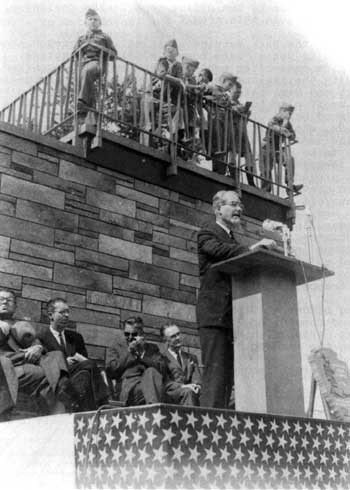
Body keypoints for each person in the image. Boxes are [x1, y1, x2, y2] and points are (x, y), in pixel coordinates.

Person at [196, 190, 276, 408]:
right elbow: (217, 250)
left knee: (228, 378)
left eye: (240, 205)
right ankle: (208, 428)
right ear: (217, 209)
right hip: (215, 316)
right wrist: (251, 249)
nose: (239, 209)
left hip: (235, 318)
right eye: (233, 204)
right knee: (215, 374)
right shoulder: (207, 232)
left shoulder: (234, 240)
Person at [0, 289, 74, 416]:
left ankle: (63, 387)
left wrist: (37, 348)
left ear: (15, 306)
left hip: (25, 362)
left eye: (9, 300)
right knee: (45, 374)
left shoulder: (20, 325)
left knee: (56, 355)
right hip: (6, 365)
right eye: (1, 299)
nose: (5, 302)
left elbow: (36, 343)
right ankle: (62, 389)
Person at [38, 298, 108, 412]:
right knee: (90, 366)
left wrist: (78, 360)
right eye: (62, 312)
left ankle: (98, 404)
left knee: (89, 366)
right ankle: (103, 402)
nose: (67, 315)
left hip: (78, 373)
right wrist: (64, 362)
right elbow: (44, 363)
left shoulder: (76, 337)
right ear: (51, 315)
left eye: (68, 312)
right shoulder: (41, 337)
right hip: (59, 378)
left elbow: (85, 361)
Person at [106, 317, 166, 406]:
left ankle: (153, 410)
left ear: (141, 334)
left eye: (134, 334)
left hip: (151, 383)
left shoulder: (152, 348)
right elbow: (111, 370)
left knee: (151, 372)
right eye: (127, 334)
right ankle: (155, 412)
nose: (130, 337)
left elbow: (162, 369)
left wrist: (143, 353)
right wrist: (129, 352)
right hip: (129, 387)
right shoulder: (115, 347)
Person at [73, 9, 117, 115]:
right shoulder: (81, 38)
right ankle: (87, 113)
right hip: (84, 64)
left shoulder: (105, 37)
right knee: (82, 79)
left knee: (87, 71)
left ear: (100, 23)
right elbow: (74, 53)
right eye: (90, 19)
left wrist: (103, 50)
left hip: (97, 63)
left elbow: (114, 54)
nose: (93, 21)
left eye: (96, 19)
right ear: (85, 23)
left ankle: (82, 101)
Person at [261, 103, 303, 194]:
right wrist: (284, 127)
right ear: (282, 111)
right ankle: (265, 189)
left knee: (289, 159)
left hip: (277, 148)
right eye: (289, 113)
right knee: (266, 168)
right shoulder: (274, 119)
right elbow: (275, 128)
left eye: (291, 114)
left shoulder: (288, 123)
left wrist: (288, 133)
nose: (290, 116)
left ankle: (290, 186)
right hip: (267, 146)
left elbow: (292, 135)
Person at [160, 324, 201, 406]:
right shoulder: (161, 357)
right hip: (171, 395)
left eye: (178, 334)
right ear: (165, 340)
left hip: (190, 392)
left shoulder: (191, 357)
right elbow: (165, 382)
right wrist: (183, 386)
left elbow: (197, 378)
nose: (178, 338)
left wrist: (196, 385)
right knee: (188, 392)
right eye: (173, 336)